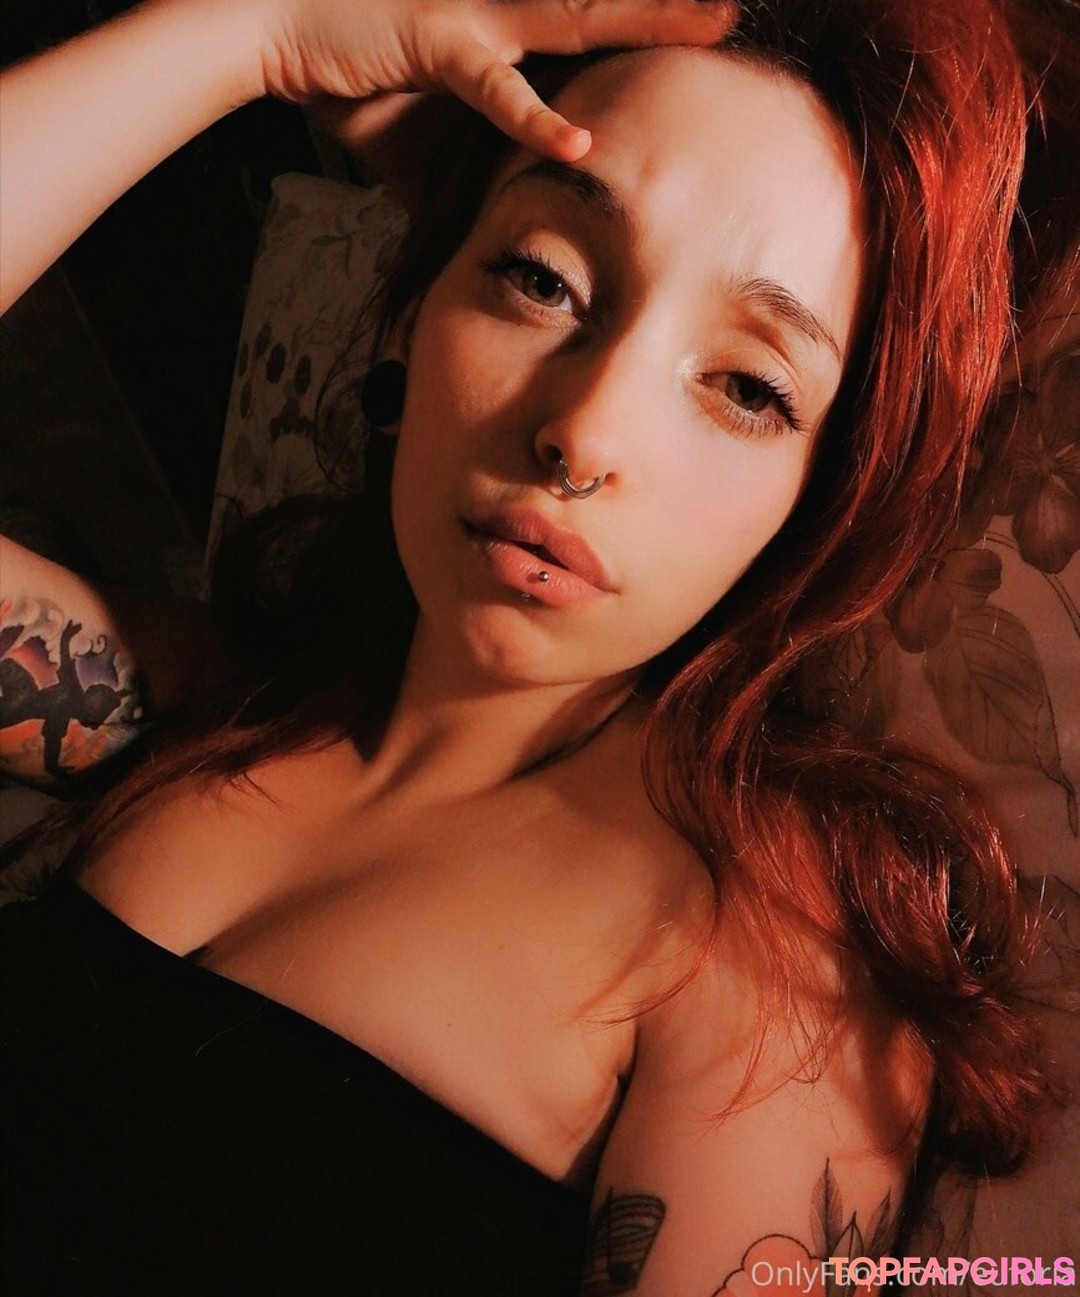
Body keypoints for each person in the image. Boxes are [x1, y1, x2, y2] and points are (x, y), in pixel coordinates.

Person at [0, 0, 1054, 1292]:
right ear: (413, 309)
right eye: (540, 278)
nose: (585, 432)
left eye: (747, 387)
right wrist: (252, 35)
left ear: (813, 507)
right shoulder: (198, 707)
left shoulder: (767, 973)